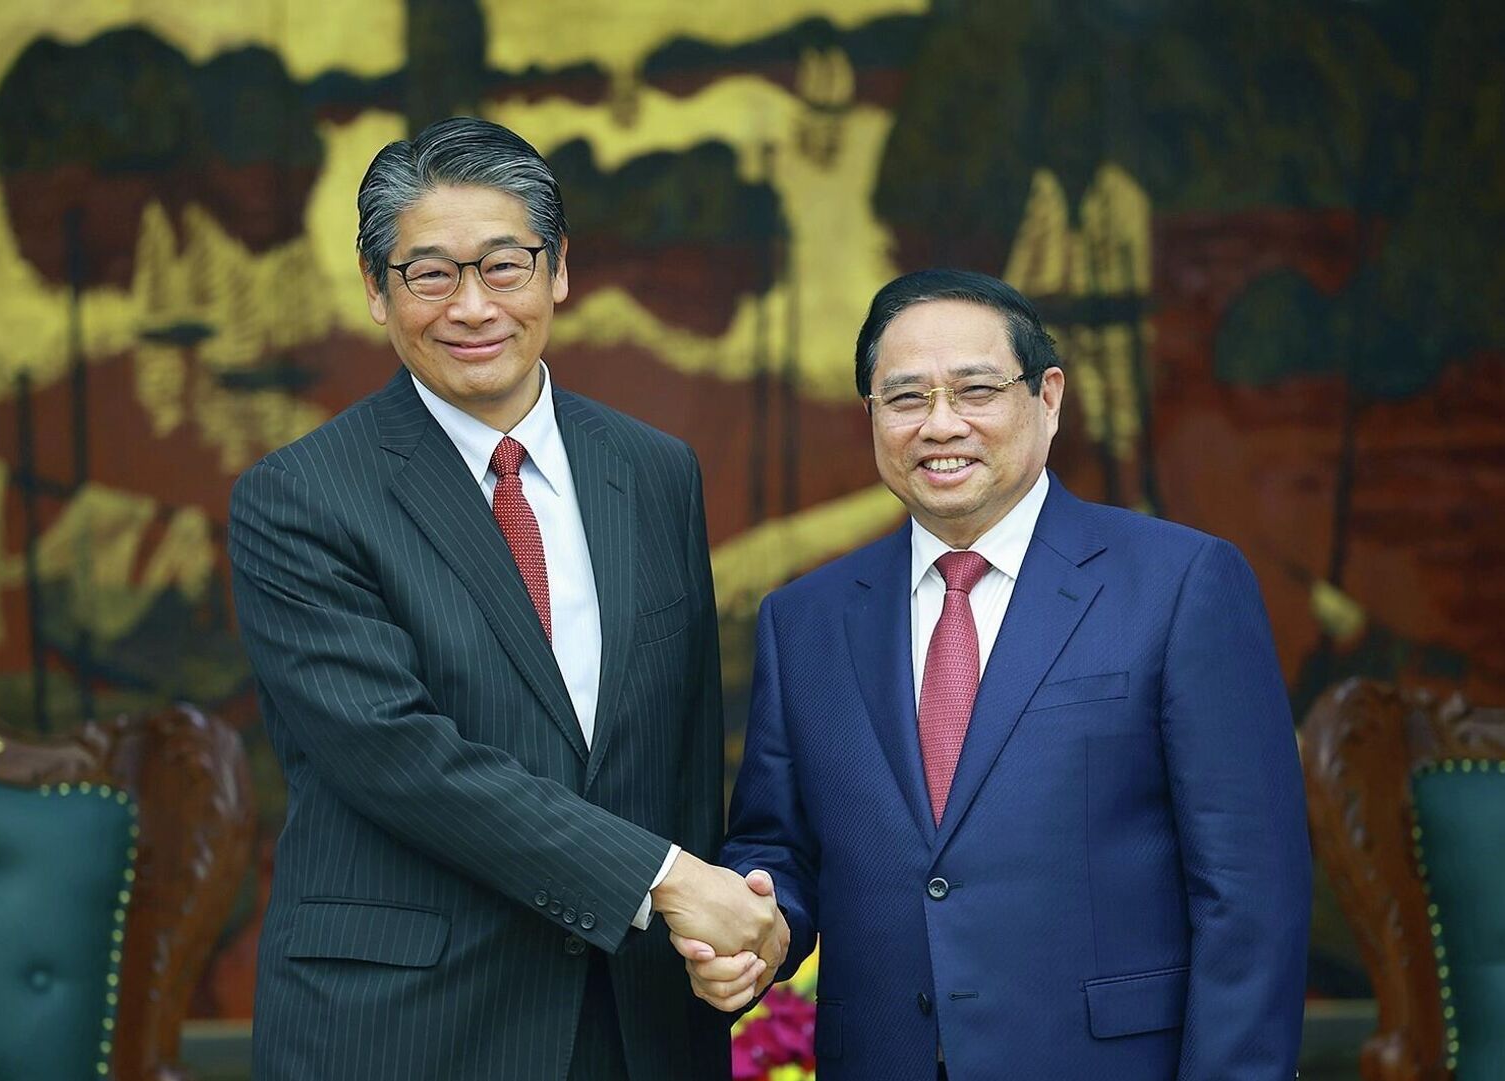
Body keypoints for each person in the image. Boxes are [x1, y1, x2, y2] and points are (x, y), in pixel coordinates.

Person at [229, 116, 780, 1081]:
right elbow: (401, 758)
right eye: (430, 274)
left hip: (631, 1021)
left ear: (558, 269)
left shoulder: (654, 471)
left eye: (503, 265)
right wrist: (665, 881)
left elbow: (683, 752)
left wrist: (718, 934)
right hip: (407, 1028)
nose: (473, 306)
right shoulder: (300, 498)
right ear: (376, 289)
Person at [679, 269, 1311, 1080]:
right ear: (871, 415)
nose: (941, 424)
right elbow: (778, 843)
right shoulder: (805, 620)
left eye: (976, 390)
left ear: (1048, 398)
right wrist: (759, 926)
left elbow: (1251, 892)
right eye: (905, 398)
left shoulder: (1180, 584)